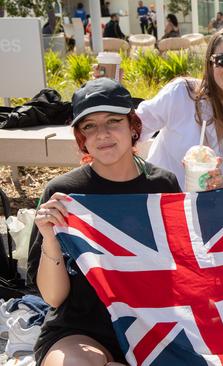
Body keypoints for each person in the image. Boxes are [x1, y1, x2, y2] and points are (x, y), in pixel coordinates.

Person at [27, 78, 181, 366]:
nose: (103, 134)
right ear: (81, 137)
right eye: (90, 126)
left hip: (152, 327)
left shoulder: (163, 184)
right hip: (81, 330)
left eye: (113, 121)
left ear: (133, 126)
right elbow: (54, 298)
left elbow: (178, 269)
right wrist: (49, 238)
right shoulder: (63, 193)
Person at [136, 25, 223, 189]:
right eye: (222, 60)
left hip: (208, 209)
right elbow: (131, 130)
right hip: (156, 203)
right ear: (210, 67)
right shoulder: (181, 95)